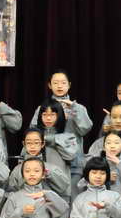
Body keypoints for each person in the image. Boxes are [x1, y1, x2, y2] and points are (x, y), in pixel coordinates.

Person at [29, 70, 92, 198]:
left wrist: (74, 108)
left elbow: (85, 129)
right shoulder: (43, 108)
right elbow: (33, 133)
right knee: (50, 200)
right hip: (50, 160)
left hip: (74, 161)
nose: (59, 86)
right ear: (49, 85)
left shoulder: (78, 108)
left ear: (69, 85)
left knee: (73, 199)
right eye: (55, 83)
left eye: (63, 83)